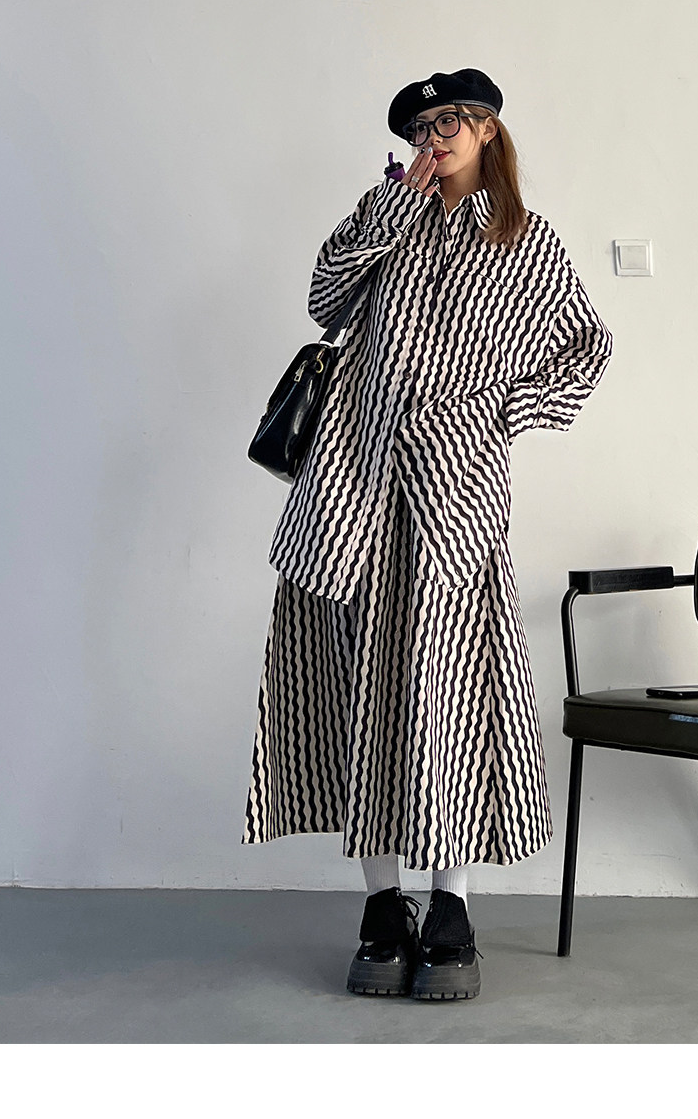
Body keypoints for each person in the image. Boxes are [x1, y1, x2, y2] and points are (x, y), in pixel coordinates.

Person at [242, 68, 613, 1001]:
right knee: (356, 688)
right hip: (348, 493)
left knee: (448, 698)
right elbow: (324, 302)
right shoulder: (386, 218)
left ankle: (450, 906)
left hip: (455, 498)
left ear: (487, 131)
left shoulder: (528, 243)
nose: (434, 136)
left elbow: (588, 347)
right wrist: (387, 206)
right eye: (421, 126)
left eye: (452, 121)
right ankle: (383, 905)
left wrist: (503, 409)